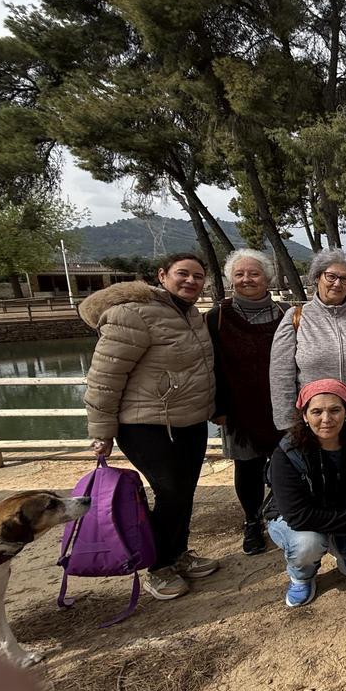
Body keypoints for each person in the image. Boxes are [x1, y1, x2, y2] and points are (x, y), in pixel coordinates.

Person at [81, 252, 218, 600]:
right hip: (145, 424)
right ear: (162, 275)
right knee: (170, 490)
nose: (191, 281)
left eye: (198, 276)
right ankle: (157, 567)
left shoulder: (191, 316)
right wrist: (101, 431)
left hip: (188, 420)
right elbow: (105, 377)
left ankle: (178, 553)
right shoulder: (132, 314)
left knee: (183, 490)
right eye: (182, 274)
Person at [265, 379, 346, 608]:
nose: (326, 419)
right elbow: (299, 516)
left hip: (337, 504)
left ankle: (344, 551)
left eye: (335, 410)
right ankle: (302, 575)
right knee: (309, 543)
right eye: (317, 411)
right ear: (305, 416)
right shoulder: (288, 453)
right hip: (294, 518)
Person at [206, 248, 285, 556]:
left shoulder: (285, 313)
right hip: (238, 408)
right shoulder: (217, 317)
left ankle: (279, 510)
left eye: (253, 273)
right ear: (230, 280)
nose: (246, 279)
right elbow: (209, 364)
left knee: (283, 462)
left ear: (267, 278)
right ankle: (252, 521)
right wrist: (218, 407)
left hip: (279, 403)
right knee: (247, 466)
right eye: (239, 274)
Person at [269, 249, 346, 433]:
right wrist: (289, 424)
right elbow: (281, 376)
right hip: (318, 422)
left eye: (345, 279)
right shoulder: (296, 318)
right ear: (317, 277)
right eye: (331, 276)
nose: (337, 283)